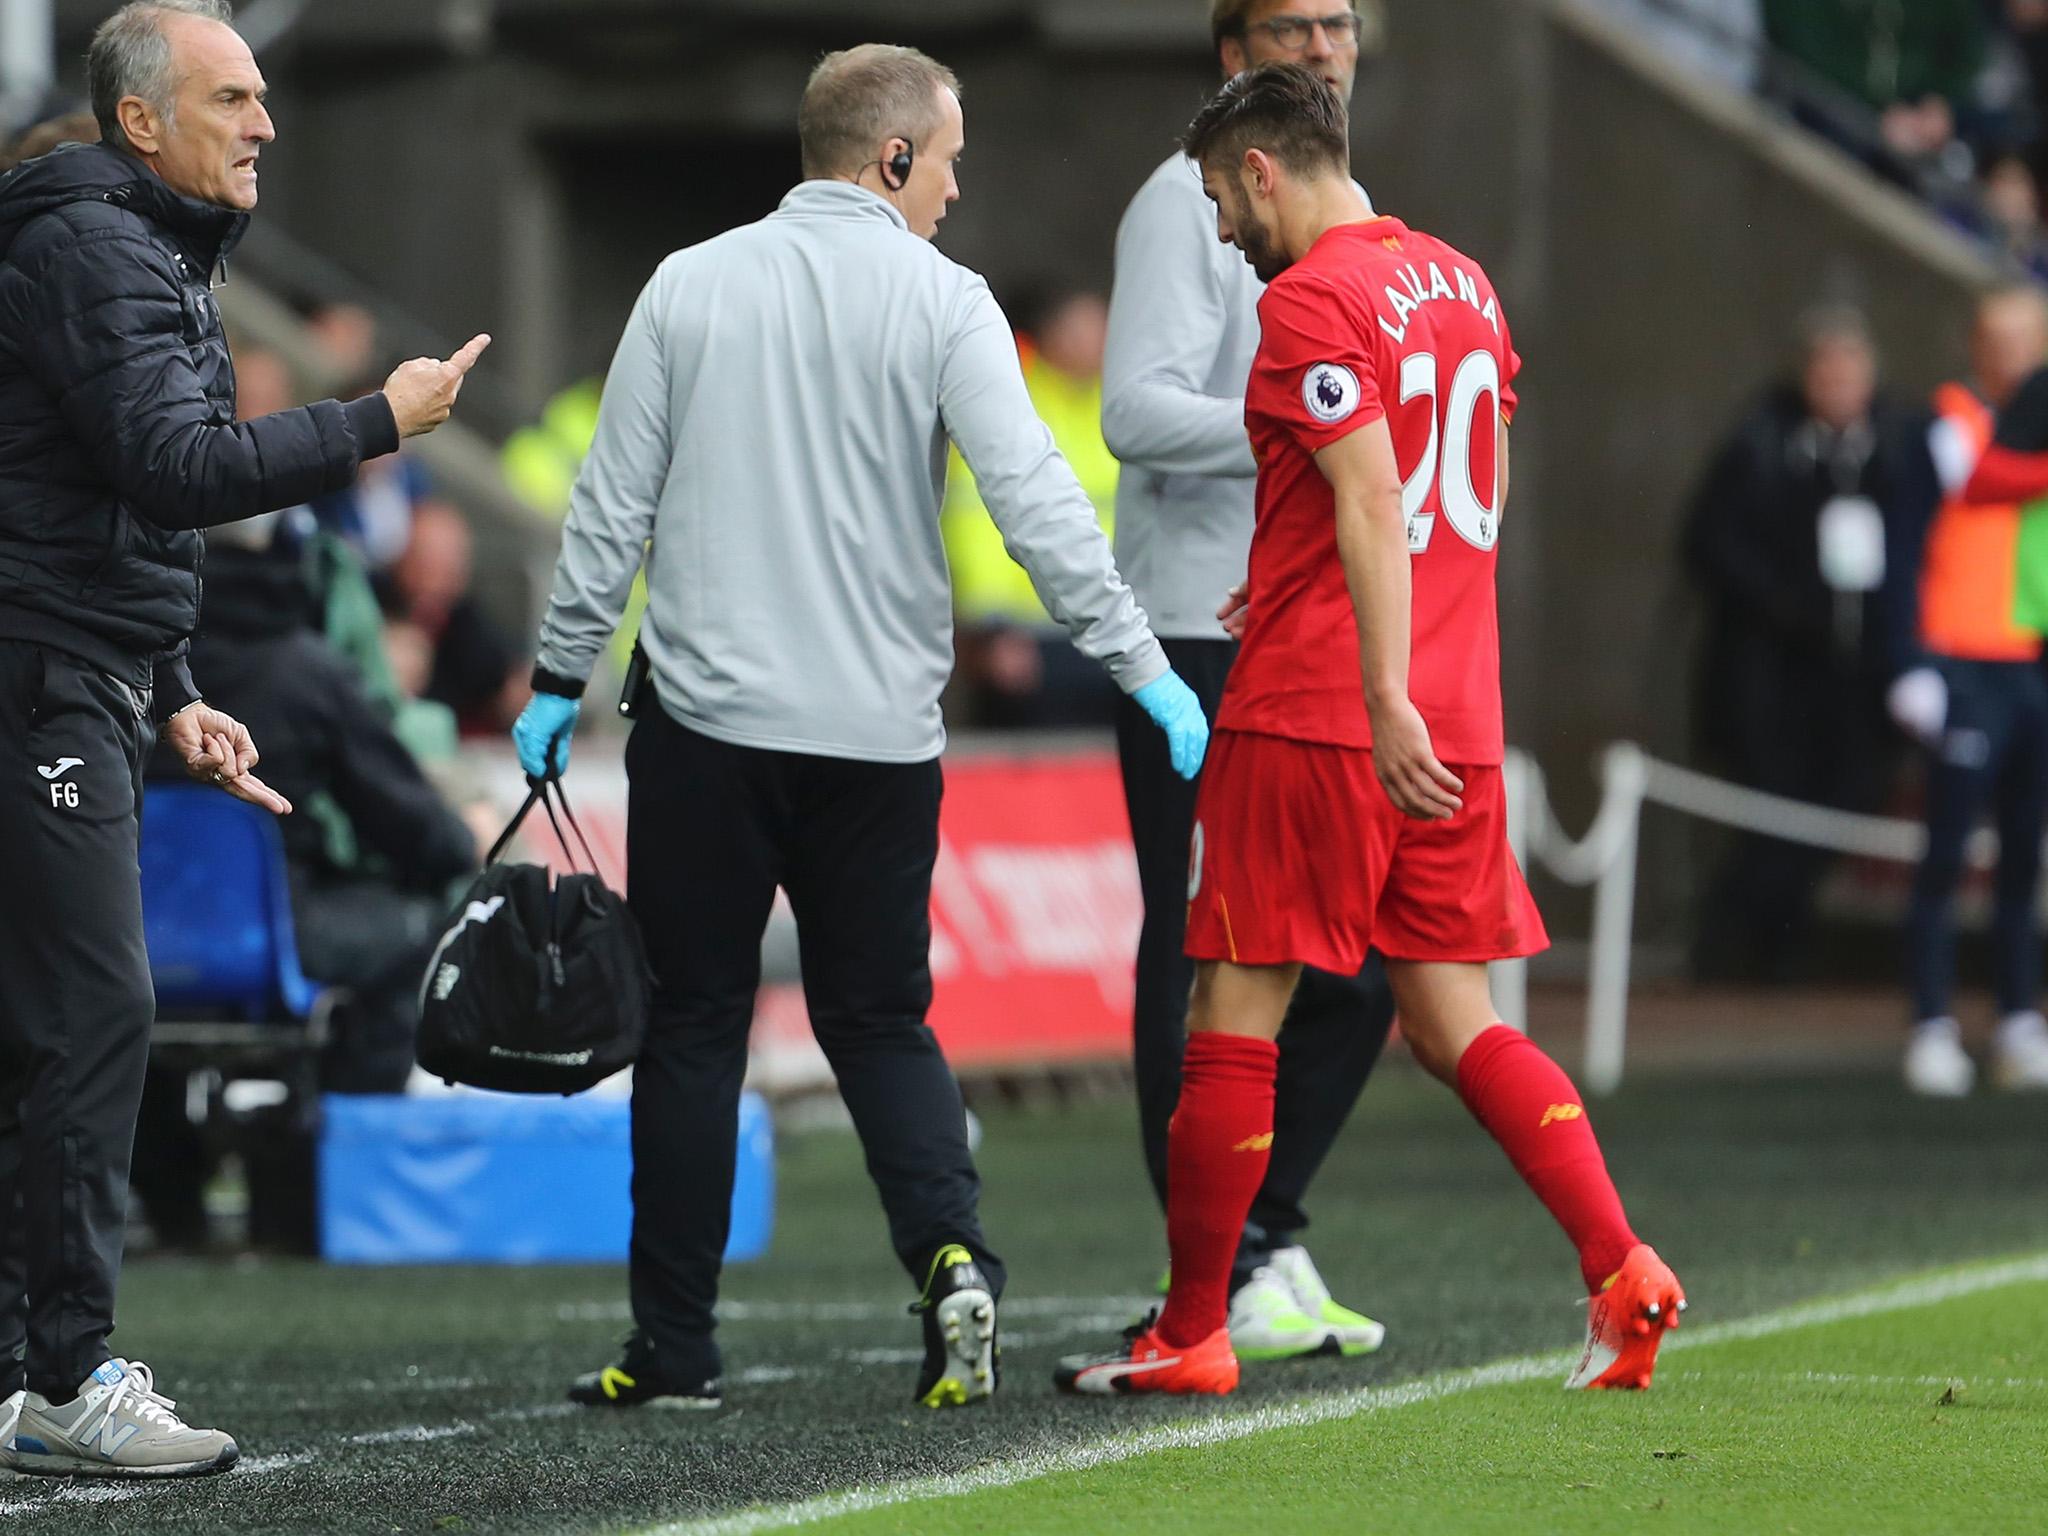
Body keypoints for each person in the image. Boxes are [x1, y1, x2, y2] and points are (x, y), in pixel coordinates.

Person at [511, 43, 1205, 1414]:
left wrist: (553, 678)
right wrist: (1144, 667)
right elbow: (1041, 511)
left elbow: (608, 511)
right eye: (947, 158)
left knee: (698, 1026)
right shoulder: (948, 304)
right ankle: (953, 1256)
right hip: (882, 739)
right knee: (883, 1020)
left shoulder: (687, 285)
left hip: (707, 731)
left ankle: (675, 1350)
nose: (955, 187)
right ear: (892, 158)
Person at [1057, 62, 1685, 1398]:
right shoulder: (1464, 284)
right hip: (1455, 716)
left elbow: (1367, 493)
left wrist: (1375, 680)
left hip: (1323, 712)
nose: (1223, 230)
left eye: (1226, 199)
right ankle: (1622, 1267)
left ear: (1267, 170)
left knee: (1231, 1003)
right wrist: (1382, 636)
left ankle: (1190, 1332)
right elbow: (1470, 481)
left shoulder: (1309, 301)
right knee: (1456, 1020)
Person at [0, 0, 485, 1476]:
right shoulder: (95, 245)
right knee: (92, 1017)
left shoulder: (129, 243)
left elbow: (96, 507)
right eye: (232, 97)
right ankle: (67, 1376)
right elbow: (179, 467)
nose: (265, 121)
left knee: (52, 1023)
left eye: (261, 94)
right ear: (142, 121)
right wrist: (374, 423)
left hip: (73, 668)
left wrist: (170, 686)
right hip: (36, 679)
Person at [1097, 0, 1395, 1364]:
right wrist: (1306, 423)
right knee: (1207, 951)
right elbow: (1135, 412)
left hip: (1293, 623)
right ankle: (1217, 1264)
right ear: (1233, 50)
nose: (1322, 42)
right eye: (1291, 23)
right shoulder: (1186, 198)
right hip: (1190, 629)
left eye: (1338, 20)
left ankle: (1257, 1230)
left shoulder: (1352, 205)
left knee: (1359, 964)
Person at [1684, 310, 1937, 982]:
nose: (1838, 384)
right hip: (1775, 671)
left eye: (1850, 370)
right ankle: (1738, 952)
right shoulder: (1763, 442)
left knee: (1849, 797)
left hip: (1860, 673)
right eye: (1826, 370)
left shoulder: (1898, 445)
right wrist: (1785, 605)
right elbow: (1711, 541)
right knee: (1772, 807)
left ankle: (1780, 943)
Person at [1896, 286, 2048, 1098]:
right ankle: (1931, 1023)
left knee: (2024, 853)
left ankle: (2019, 1019)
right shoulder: (1948, 424)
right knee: (1946, 854)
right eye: (1998, 338)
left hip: (2028, 663)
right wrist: (1908, 661)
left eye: (2026, 338)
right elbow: (1909, 539)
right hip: (1960, 663)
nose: (2012, 354)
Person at [943, 287, 1121, 726]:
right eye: (1081, 329)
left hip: (1115, 633)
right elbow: (974, 525)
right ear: (1050, 335)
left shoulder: (1119, 405)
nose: (1096, 340)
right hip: (1027, 641)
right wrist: (992, 629)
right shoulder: (1011, 402)